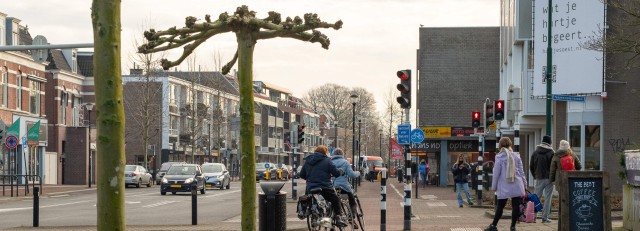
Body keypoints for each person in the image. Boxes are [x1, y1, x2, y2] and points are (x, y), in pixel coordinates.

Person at [484, 137, 527, 231]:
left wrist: (494, 186)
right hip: (517, 184)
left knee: (500, 206)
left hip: (504, 186)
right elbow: (521, 171)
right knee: (516, 206)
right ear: (510, 145)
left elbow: (496, 174)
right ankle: (513, 227)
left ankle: (493, 226)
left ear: (500, 146)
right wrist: (524, 183)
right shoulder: (516, 156)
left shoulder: (499, 157)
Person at [298, 145, 347, 227]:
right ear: (325, 152)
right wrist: (341, 171)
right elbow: (336, 173)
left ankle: (322, 221)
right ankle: (338, 218)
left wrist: (311, 177)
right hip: (325, 187)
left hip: (311, 188)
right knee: (335, 200)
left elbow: (302, 175)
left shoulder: (308, 160)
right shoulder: (327, 160)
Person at [331, 148, 361, 227]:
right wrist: (358, 173)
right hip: (344, 187)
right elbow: (352, 175)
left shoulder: (330, 162)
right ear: (342, 154)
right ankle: (351, 217)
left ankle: (333, 217)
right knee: (352, 199)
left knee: (333, 201)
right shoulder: (345, 162)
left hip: (333, 186)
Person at [530, 135, 555, 223]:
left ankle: (533, 216)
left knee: (536, 198)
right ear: (549, 143)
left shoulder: (535, 152)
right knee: (548, 198)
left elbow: (531, 166)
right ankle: (545, 217)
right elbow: (553, 167)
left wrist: (535, 176)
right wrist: (553, 178)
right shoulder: (551, 153)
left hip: (539, 178)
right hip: (549, 179)